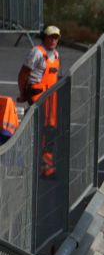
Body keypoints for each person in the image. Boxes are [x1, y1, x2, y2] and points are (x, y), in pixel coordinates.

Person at [17, 25, 61, 178]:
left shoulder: (55, 55)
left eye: (56, 37)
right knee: (37, 130)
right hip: (37, 96)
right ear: (44, 37)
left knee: (50, 130)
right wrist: (23, 93)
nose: (53, 40)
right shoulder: (37, 53)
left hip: (51, 98)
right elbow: (23, 74)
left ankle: (46, 164)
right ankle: (30, 163)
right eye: (50, 36)